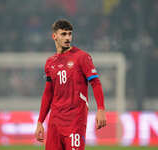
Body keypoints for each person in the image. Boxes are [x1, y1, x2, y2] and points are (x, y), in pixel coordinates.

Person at [35, 19, 107, 150]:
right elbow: (48, 93)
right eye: (63, 34)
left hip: (75, 120)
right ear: (54, 36)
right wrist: (40, 121)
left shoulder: (82, 57)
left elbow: (95, 83)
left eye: (69, 34)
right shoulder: (50, 63)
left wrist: (101, 109)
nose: (68, 37)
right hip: (55, 122)